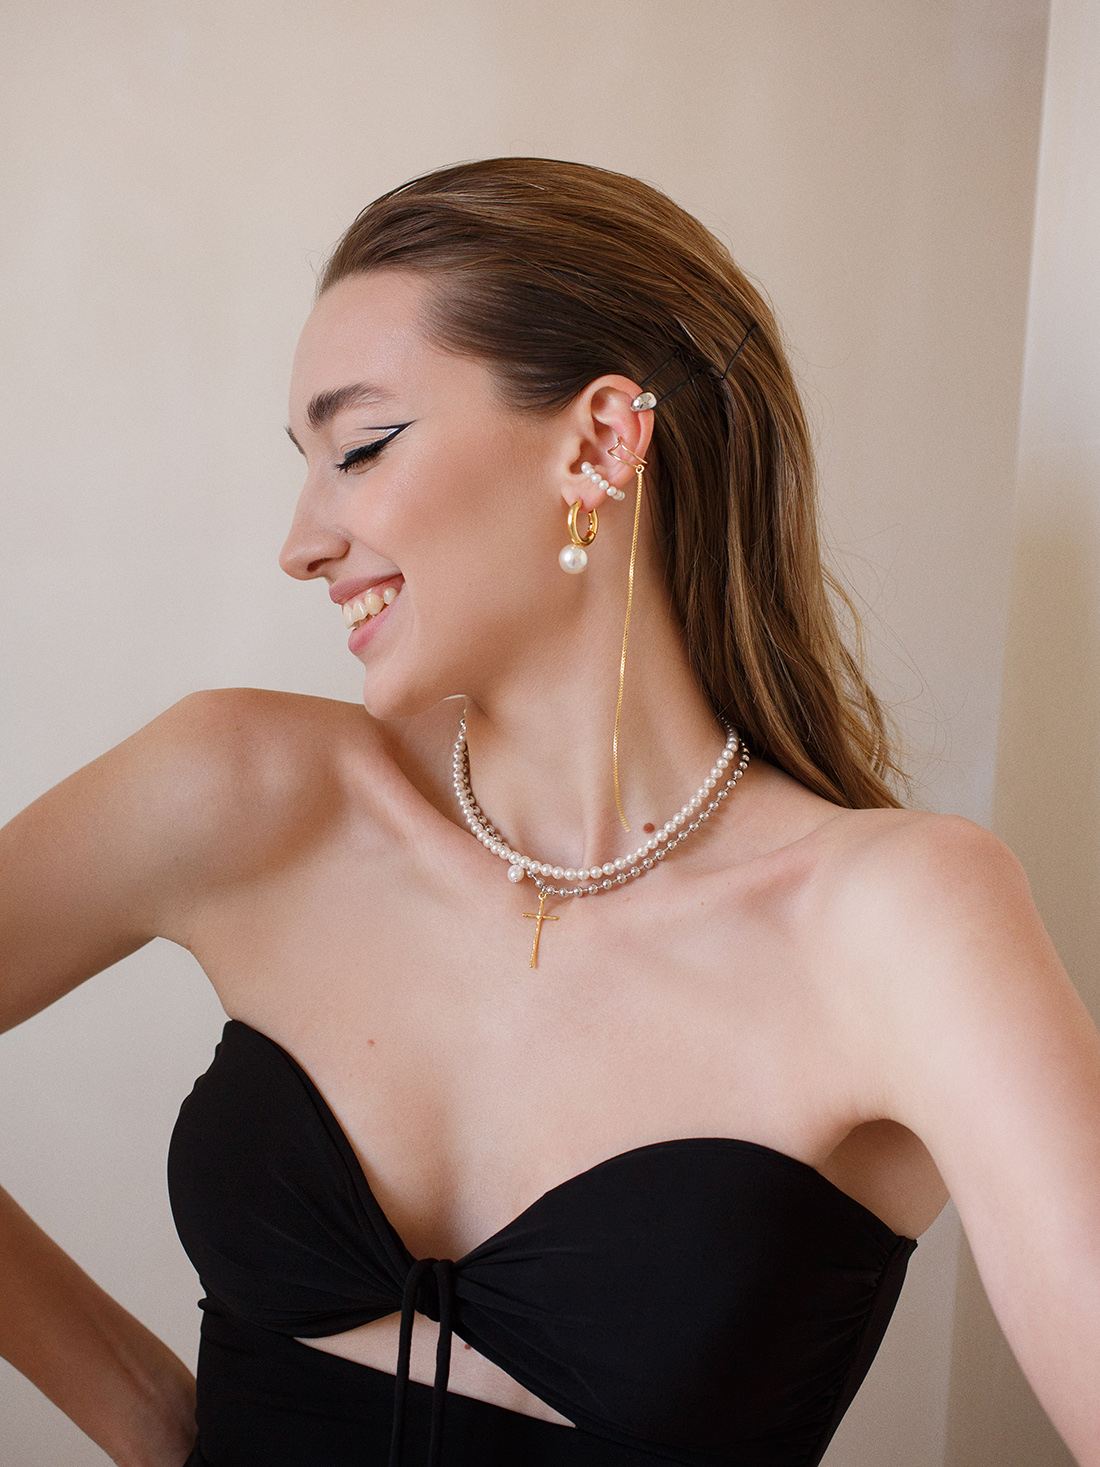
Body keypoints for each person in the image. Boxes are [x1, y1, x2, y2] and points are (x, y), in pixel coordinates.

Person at [1, 157, 1099, 1467]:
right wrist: (147, 1421)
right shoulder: (243, 792)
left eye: (360, 449)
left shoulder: (896, 921)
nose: (301, 541)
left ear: (600, 443)